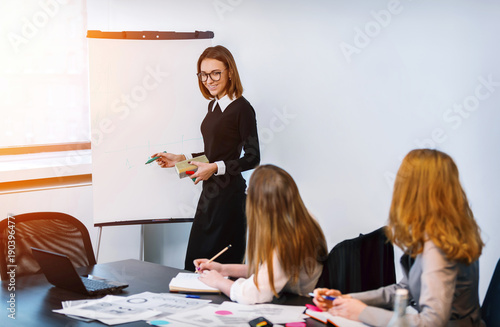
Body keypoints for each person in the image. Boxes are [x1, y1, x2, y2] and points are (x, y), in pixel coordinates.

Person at [314, 149, 485, 327]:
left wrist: (361, 312)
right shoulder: (443, 233)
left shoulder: (438, 247)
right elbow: (405, 289)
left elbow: (432, 322)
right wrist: (345, 299)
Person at [151, 45, 260, 271]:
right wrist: (180, 159)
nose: (208, 80)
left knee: (220, 269)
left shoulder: (242, 108)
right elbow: (213, 152)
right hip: (210, 198)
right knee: (195, 265)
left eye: (215, 73)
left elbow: (252, 157)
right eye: (203, 74)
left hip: (230, 200)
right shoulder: (213, 105)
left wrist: (215, 168)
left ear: (230, 72)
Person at [194, 164, 328, 305]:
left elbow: (251, 294)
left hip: (303, 303)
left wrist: (219, 282)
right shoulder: (302, 219)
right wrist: (222, 269)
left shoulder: (290, 239)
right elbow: (268, 270)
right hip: (297, 298)